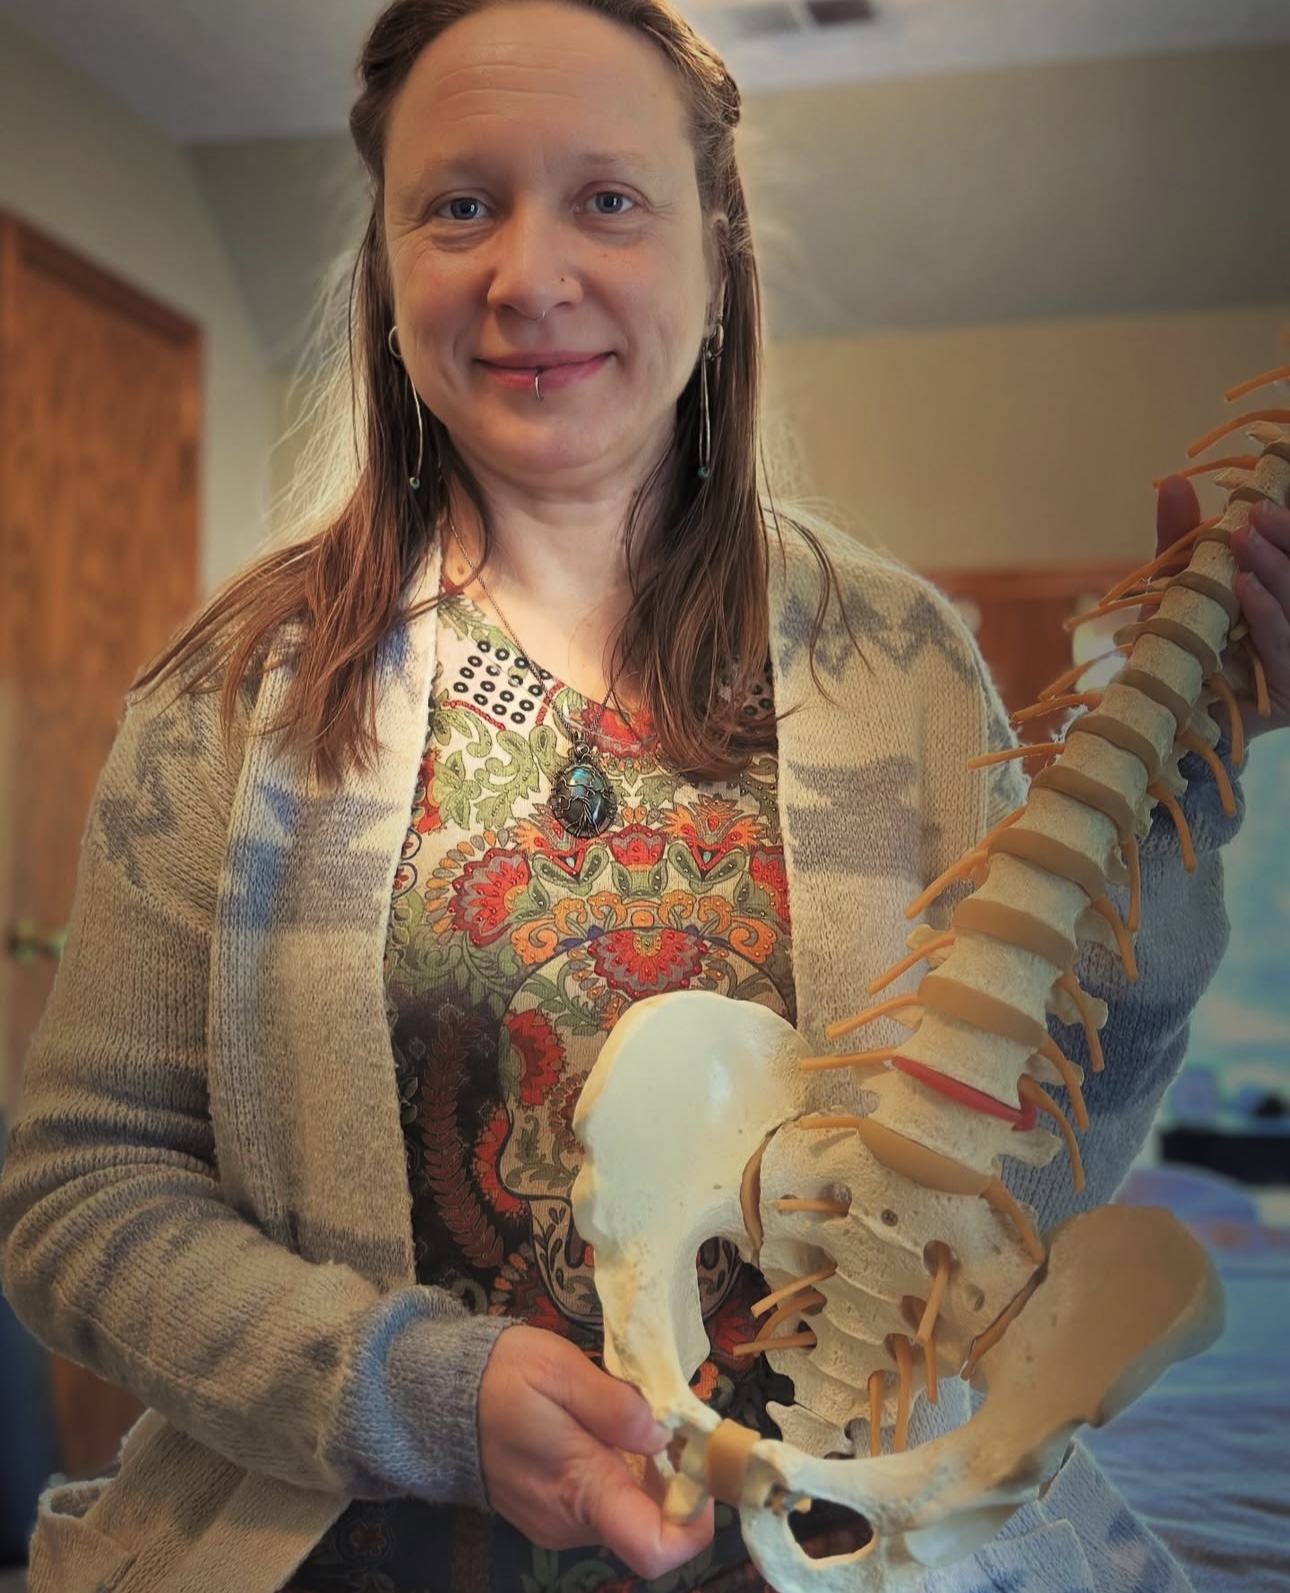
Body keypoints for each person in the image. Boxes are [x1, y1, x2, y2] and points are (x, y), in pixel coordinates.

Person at [1, 2, 1288, 1590]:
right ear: (387, 262)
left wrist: (1166, 817)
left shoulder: (904, 668)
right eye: (458, 203)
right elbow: (79, 1190)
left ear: (714, 249)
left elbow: (1020, 1191)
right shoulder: (234, 698)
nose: (528, 275)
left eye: (607, 199)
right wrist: (428, 1397)